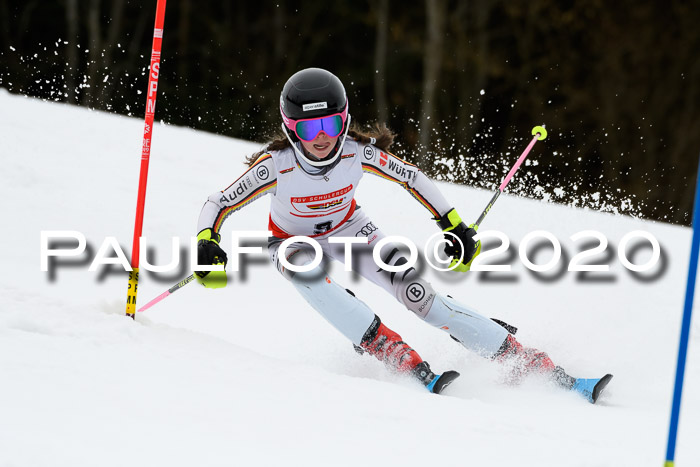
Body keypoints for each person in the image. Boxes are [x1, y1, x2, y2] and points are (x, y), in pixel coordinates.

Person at [194, 68, 612, 400]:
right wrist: (206, 242)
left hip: (349, 229)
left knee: (418, 295)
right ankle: (388, 347)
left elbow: (411, 177)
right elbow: (218, 202)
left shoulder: (359, 153)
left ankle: (524, 360)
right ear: (290, 130)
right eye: (308, 129)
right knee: (306, 273)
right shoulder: (276, 165)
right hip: (291, 242)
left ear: (345, 121)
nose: (321, 138)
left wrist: (453, 224)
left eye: (329, 124)